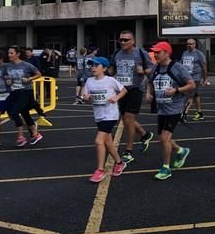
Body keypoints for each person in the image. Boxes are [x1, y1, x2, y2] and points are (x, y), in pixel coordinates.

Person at [145, 41, 194, 181]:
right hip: (161, 109)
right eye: (154, 52)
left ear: (166, 53)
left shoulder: (178, 68)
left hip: (174, 108)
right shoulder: (155, 68)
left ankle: (166, 168)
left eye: (158, 52)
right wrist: (148, 94)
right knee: (162, 138)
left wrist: (177, 90)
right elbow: (149, 82)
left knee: (165, 138)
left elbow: (191, 84)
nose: (155, 55)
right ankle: (180, 150)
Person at [109, 30, 154, 164]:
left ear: (133, 41)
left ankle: (128, 151)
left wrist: (143, 71)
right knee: (126, 118)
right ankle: (145, 134)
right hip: (121, 90)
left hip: (135, 89)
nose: (122, 42)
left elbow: (152, 68)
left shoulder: (141, 53)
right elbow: (112, 68)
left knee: (128, 118)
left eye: (126, 40)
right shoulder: (117, 53)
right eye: (121, 40)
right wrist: (107, 73)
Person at [83, 57, 128, 183]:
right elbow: (84, 95)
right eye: (92, 65)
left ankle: (100, 170)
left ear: (104, 68)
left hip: (110, 115)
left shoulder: (110, 80)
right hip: (99, 116)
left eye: (96, 66)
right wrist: (86, 97)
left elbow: (124, 90)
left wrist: (116, 97)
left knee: (98, 141)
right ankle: (120, 163)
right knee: (108, 143)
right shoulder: (89, 81)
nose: (93, 68)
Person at [5, 46, 43, 147]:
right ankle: (36, 134)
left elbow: (38, 74)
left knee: (14, 112)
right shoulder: (8, 66)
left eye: (11, 53)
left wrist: (29, 79)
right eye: (8, 53)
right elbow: (7, 77)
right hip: (14, 92)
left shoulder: (26, 65)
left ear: (18, 54)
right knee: (24, 113)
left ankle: (21, 137)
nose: (9, 55)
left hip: (25, 92)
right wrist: (8, 80)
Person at [180, 39, 207, 121]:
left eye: (191, 44)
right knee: (195, 95)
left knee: (190, 95)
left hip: (196, 77)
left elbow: (204, 66)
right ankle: (200, 113)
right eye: (188, 44)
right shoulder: (184, 53)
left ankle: (184, 114)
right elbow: (181, 65)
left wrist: (205, 78)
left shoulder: (199, 54)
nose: (189, 45)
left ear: (195, 45)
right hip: (186, 78)